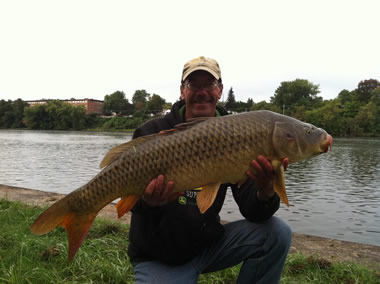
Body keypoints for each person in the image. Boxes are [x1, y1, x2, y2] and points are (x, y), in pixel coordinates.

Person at [127, 56, 292, 283]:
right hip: (160, 257)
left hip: (209, 246)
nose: (202, 91)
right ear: (182, 91)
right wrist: (149, 203)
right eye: (194, 85)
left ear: (220, 90)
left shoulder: (239, 133)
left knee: (277, 233)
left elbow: (254, 213)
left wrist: (265, 190)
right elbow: (130, 203)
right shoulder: (152, 132)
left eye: (210, 85)